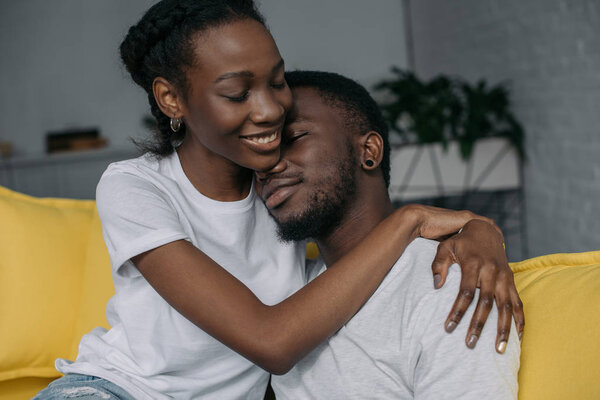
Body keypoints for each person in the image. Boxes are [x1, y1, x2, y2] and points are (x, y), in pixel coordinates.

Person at [33, 1, 522, 399]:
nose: (268, 111)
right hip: (116, 392)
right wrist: (410, 219)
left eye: (276, 81)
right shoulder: (136, 187)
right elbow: (272, 341)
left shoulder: (275, 194)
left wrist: (481, 231)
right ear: (170, 100)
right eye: (237, 93)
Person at [257, 70, 521, 399]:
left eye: (293, 138)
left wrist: (483, 229)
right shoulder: (287, 292)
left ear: (369, 150)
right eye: (257, 158)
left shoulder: (448, 286)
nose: (266, 168)